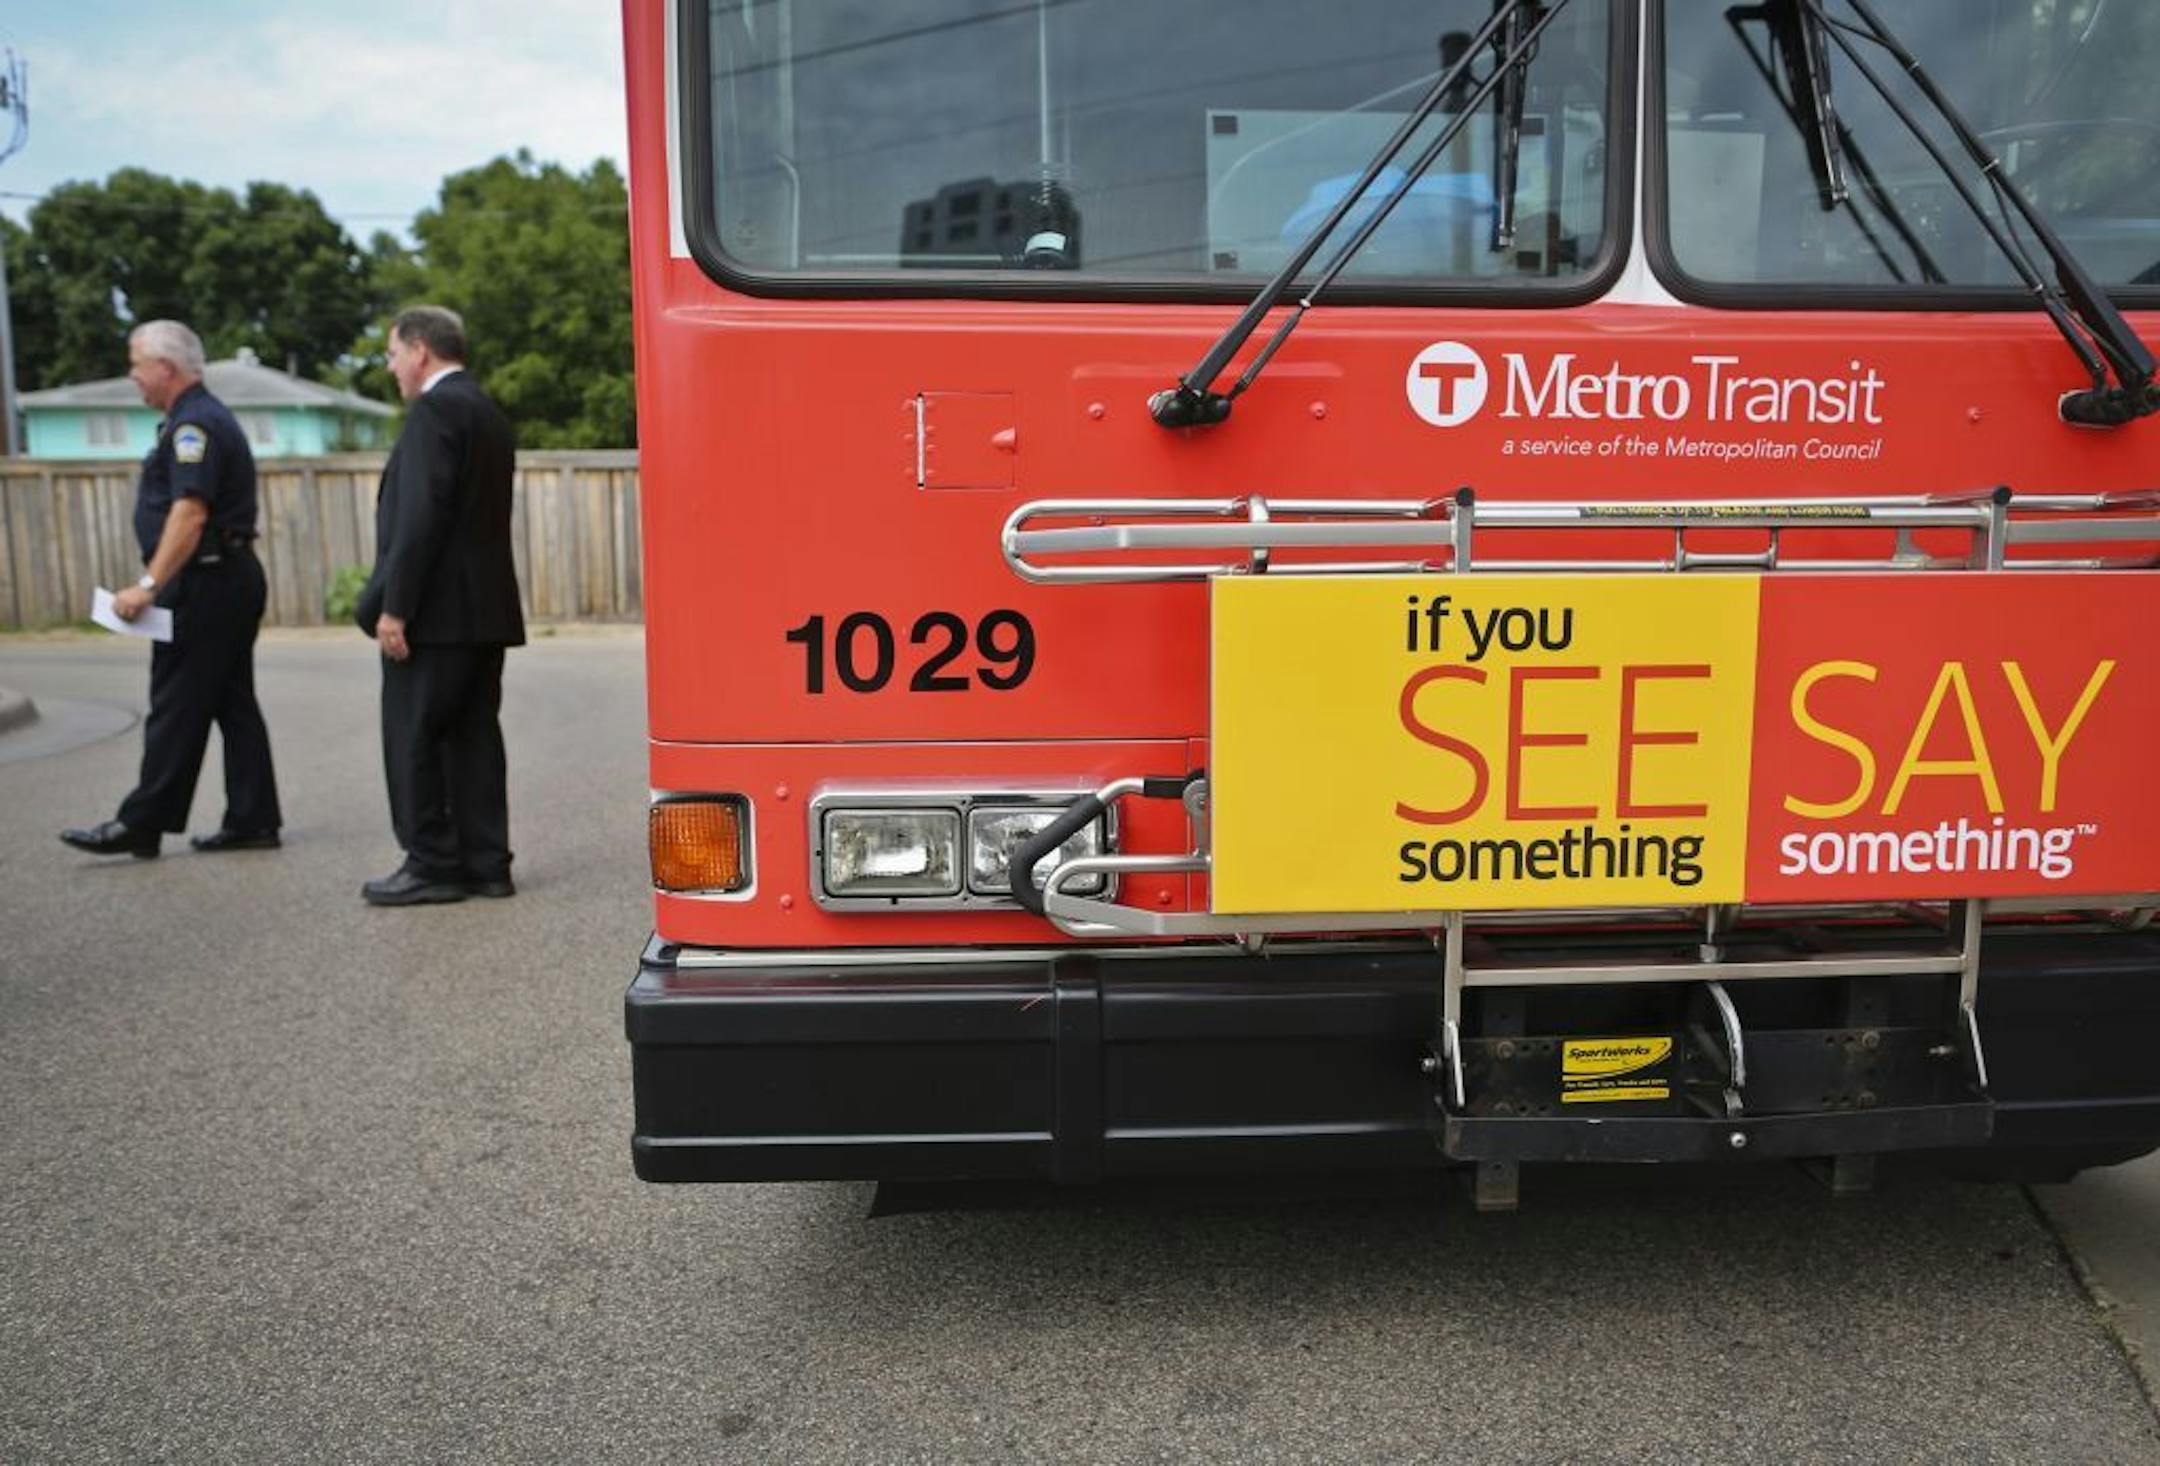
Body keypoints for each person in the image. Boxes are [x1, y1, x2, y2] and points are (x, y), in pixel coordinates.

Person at [60, 321, 282, 858]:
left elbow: (189, 512)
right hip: (224, 576)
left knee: (176, 702)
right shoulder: (191, 420)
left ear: (165, 367)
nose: (132, 376)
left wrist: (147, 585)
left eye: (136, 363)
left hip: (208, 580)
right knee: (231, 701)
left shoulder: (195, 425)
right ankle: (252, 818)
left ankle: (143, 821)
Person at [355, 305, 525, 906]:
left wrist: (396, 606)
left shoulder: (434, 410)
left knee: (415, 737)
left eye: (394, 353)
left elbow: (420, 515)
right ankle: (486, 861)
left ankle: (432, 861)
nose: (393, 366)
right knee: (475, 737)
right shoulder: (486, 412)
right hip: (485, 614)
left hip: (435, 615)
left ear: (420, 350)